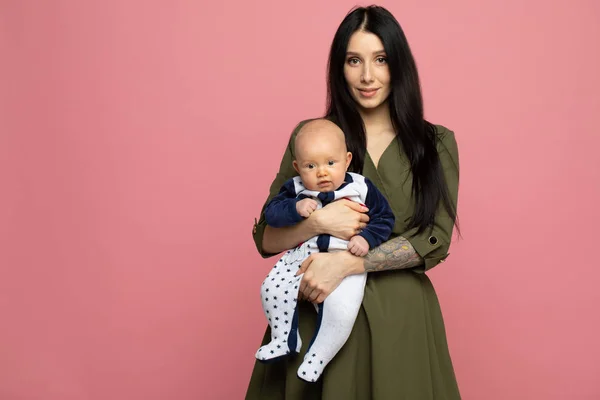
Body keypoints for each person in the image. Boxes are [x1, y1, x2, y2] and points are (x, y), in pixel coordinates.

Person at [246, 5, 461, 399]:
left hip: (403, 322)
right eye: (353, 60)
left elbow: (435, 239)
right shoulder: (313, 137)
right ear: (338, 68)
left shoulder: (436, 144)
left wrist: (346, 264)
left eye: (380, 59)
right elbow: (267, 239)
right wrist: (317, 225)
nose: (367, 75)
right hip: (316, 312)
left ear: (399, 64)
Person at [256, 119, 395, 383]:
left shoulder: (361, 186)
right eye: (311, 166)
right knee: (270, 289)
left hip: (348, 260)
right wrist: (295, 209)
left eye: (331, 163)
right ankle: (283, 339)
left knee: (342, 310)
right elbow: (271, 215)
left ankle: (318, 356)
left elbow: (385, 218)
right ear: (298, 167)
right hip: (300, 257)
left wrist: (366, 239)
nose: (322, 173)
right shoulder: (296, 189)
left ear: (347, 159)